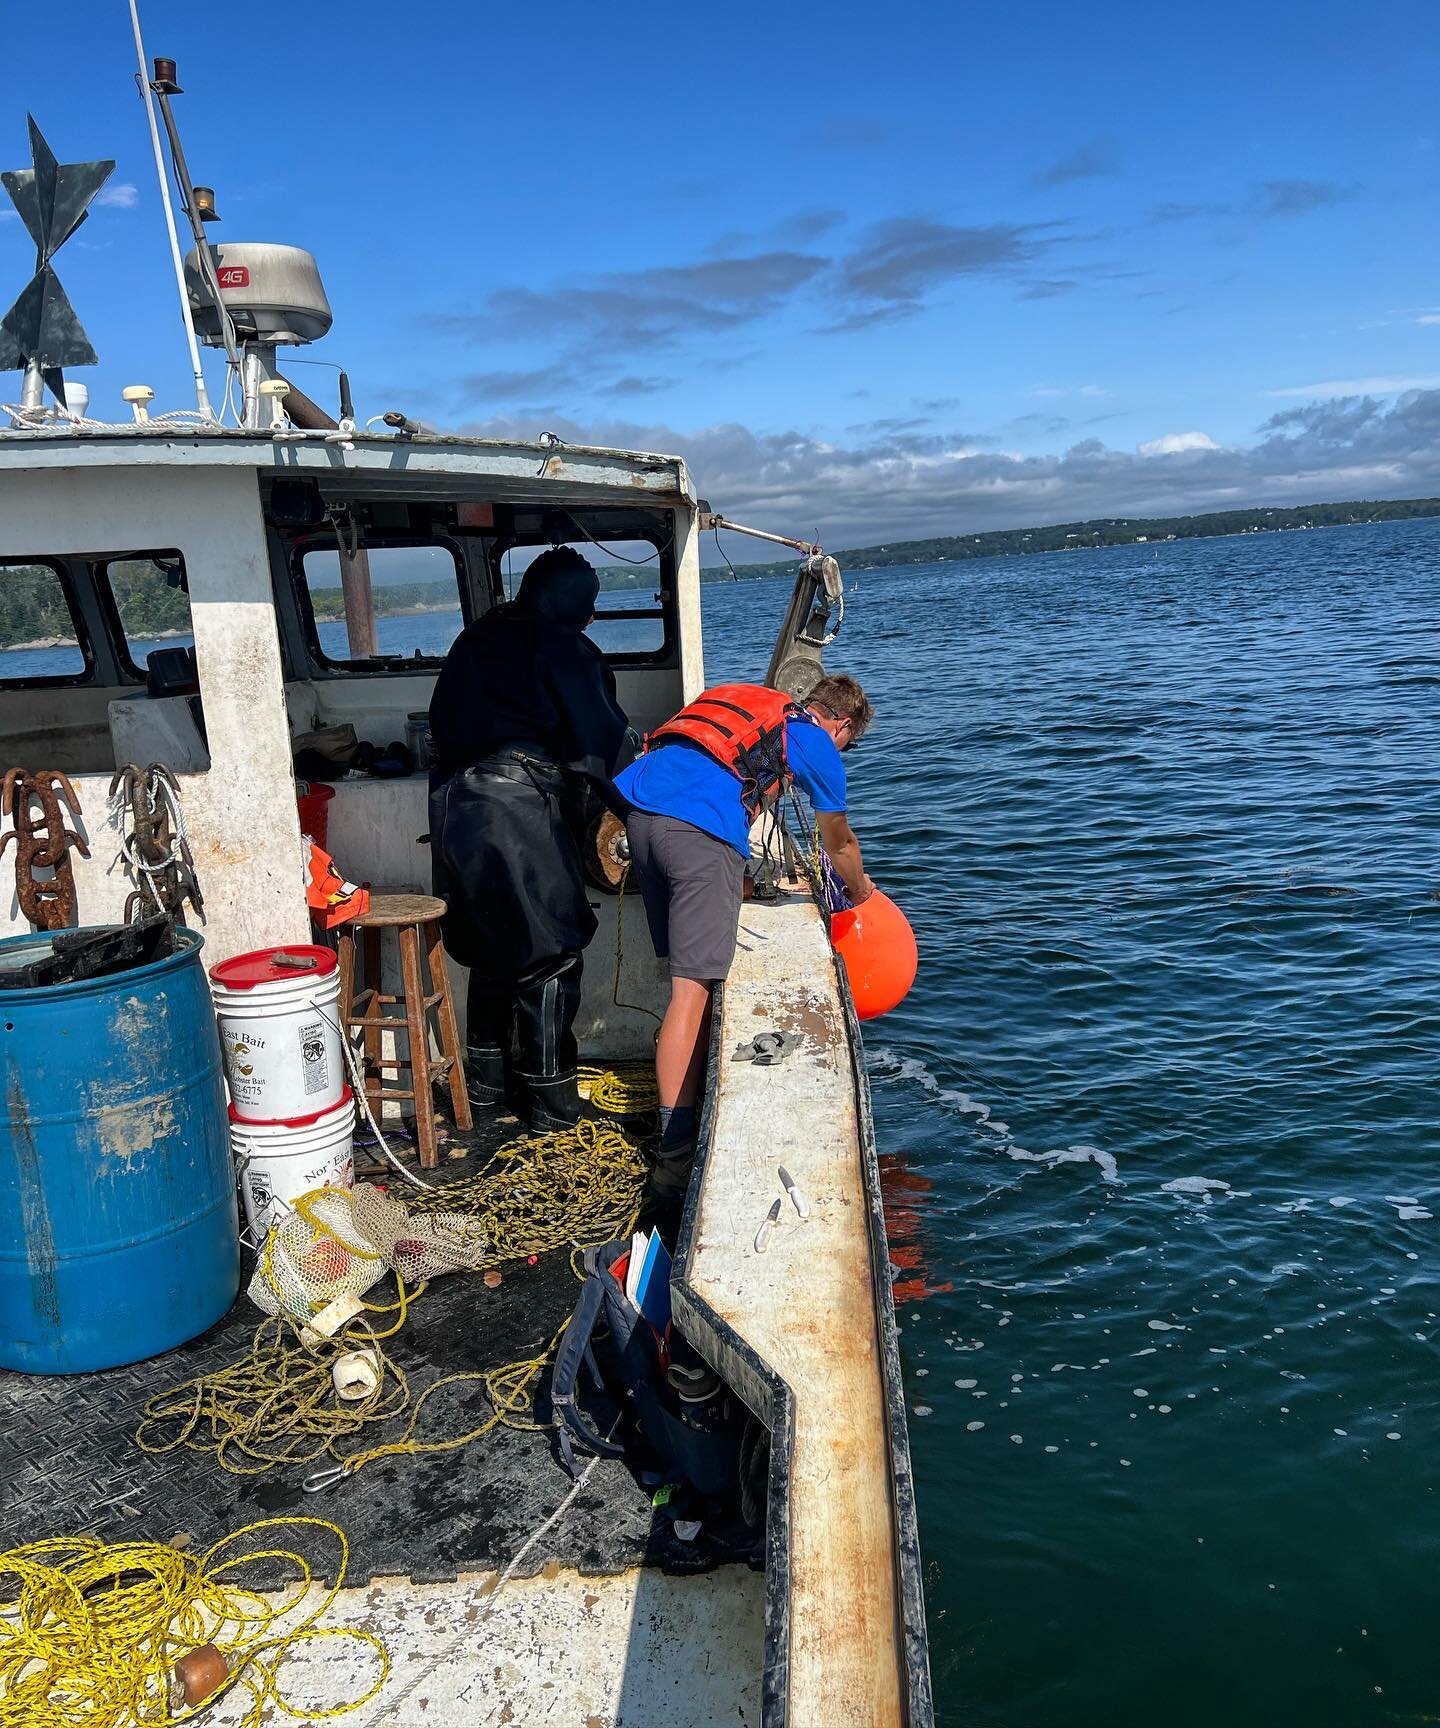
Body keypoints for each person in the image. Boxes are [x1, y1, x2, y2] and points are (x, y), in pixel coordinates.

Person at [616, 674, 875, 1193]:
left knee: (689, 981)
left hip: (640, 818)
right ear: (842, 724)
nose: (841, 749)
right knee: (690, 993)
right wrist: (863, 891)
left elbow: (708, 766)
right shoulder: (815, 741)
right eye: (849, 741)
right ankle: (675, 1155)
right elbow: (837, 839)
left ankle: (683, 1103)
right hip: (696, 831)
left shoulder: (755, 705)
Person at [428, 548, 631, 1132]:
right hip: (519, 808)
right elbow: (602, 745)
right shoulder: (566, 648)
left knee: (491, 951)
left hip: (454, 808)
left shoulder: (474, 639)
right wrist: (638, 809)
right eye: (588, 605)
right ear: (571, 604)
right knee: (549, 955)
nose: (590, 618)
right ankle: (551, 1104)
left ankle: (487, 1093)